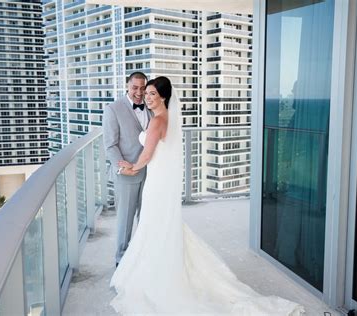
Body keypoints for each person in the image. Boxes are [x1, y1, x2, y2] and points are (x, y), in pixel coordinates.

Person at [110, 76, 305, 315]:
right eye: (145, 93)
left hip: (156, 183)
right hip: (161, 181)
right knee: (160, 226)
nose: (146, 97)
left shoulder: (157, 121)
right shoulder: (167, 118)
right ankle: (167, 264)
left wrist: (132, 168)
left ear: (163, 96)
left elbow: (147, 155)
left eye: (151, 93)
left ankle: (159, 274)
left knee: (154, 226)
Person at [103, 71, 152, 267]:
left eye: (143, 88)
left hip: (150, 173)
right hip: (126, 174)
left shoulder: (150, 105)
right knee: (125, 220)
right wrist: (121, 168)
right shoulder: (113, 109)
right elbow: (110, 145)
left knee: (146, 215)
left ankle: (141, 255)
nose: (139, 93)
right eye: (135, 87)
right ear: (127, 86)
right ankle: (121, 260)